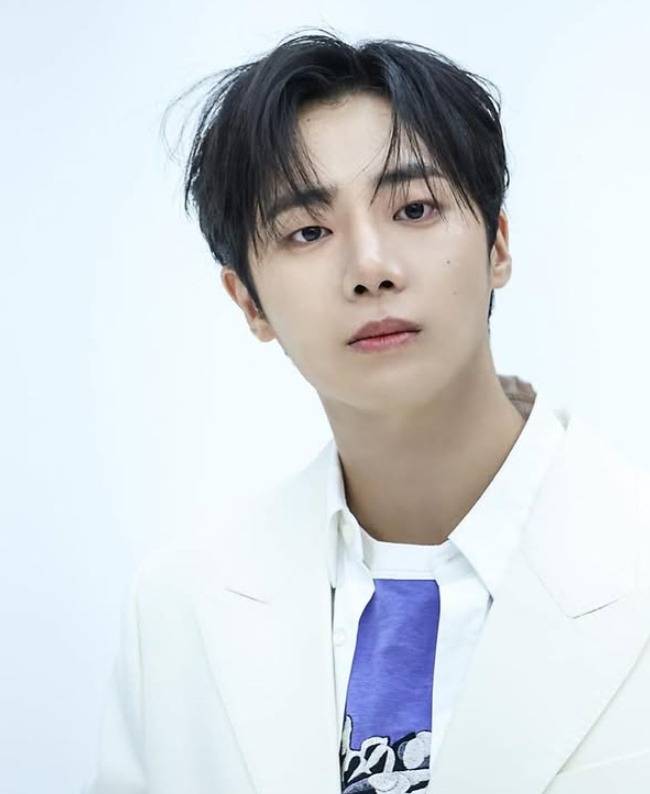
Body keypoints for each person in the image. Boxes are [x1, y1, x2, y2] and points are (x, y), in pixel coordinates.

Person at [84, 28, 650, 794]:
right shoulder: (176, 611)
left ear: (498, 246)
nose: (370, 267)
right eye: (308, 231)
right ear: (248, 301)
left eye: (414, 209)